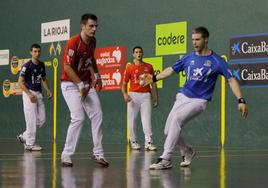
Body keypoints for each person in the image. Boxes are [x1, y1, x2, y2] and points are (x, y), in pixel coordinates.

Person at [140, 26, 248, 169]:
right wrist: (154, 78)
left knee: (177, 119)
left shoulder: (217, 61)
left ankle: (165, 158)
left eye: (197, 39)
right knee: (168, 130)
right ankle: (187, 150)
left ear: (206, 39)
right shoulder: (188, 57)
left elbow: (231, 80)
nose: (194, 43)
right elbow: (171, 70)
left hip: (199, 101)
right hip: (182, 97)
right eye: (193, 40)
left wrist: (241, 99)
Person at [60, 13, 108, 167]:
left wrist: (97, 76)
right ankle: (66, 154)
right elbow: (67, 67)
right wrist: (80, 85)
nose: (94, 29)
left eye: (96, 26)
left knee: (98, 115)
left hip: (86, 83)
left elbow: (91, 59)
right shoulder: (73, 42)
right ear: (83, 26)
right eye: (91, 26)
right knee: (78, 117)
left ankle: (98, 153)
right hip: (69, 84)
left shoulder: (92, 41)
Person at [121, 46, 158, 151]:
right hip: (133, 96)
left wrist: (155, 98)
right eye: (136, 52)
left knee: (146, 119)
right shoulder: (129, 68)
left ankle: (148, 142)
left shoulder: (149, 67)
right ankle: (133, 141)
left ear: (142, 53)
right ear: (133, 54)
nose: (138, 54)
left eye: (140, 52)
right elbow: (123, 84)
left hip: (146, 95)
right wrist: (125, 94)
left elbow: (153, 84)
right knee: (132, 119)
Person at [17, 44, 52, 151]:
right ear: (31, 53)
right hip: (29, 93)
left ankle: (24, 136)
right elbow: (20, 82)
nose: (37, 53)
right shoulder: (26, 66)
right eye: (35, 51)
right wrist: (29, 94)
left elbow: (44, 78)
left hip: (39, 93)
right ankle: (29, 144)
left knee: (41, 119)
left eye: (38, 51)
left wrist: (48, 90)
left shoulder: (41, 65)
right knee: (31, 119)